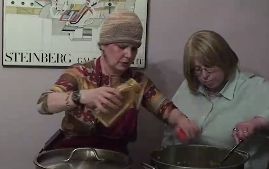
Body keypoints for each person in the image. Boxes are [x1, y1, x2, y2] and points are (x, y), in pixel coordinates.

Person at [36, 10, 200, 154]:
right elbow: (43, 104)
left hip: (114, 158)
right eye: (122, 46)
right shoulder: (80, 73)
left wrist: (182, 121)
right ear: (103, 46)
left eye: (134, 48)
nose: (129, 54)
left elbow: (165, 109)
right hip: (74, 156)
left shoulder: (138, 81)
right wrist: (83, 96)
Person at [162, 29, 269, 169]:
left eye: (210, 67)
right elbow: (169, 135)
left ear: (225, 60)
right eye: (198, 69)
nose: (204, 75)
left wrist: (257, 123)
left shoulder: (252, 87)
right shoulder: (188, 87)